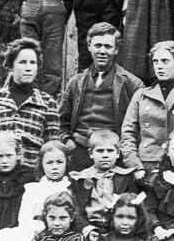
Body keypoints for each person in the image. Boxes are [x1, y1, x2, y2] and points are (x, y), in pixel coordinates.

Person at [58, 22, 144, 171]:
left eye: (108, 46)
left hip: (112, 154)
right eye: (97, 46)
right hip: (79, 151)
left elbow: (140, 127)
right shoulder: (75, 82)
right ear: (89, 46)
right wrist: (67, 140)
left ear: (116, 49)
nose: (102, 51)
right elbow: (62, 121)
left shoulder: (132, 84)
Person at [0, 39, 61, 173]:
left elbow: (53, 147)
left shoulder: (47, 103)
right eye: (22, 62)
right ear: (11, 65)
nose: (28, 68)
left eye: (33, 63)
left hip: (31, 177)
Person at [0, 140, 74, 241]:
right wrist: (40, 230)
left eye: (59, 162)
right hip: (37, 231)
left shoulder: (71, 187)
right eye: (49, 163)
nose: (54, 167)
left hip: (64, 230)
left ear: (67, 163)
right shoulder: (33, 189)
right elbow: (24, 219)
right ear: (41, 164)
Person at [121, 41, 174, 173]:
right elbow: (128, 133)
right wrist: (135, 167)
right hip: (144, 165)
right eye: (156, 62)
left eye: (165, 61)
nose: (159, 66)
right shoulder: (141, 95)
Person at [70, 129, 141, 241]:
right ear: (91, 153)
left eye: (109, 150)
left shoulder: (126, 177)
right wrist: (87, 229)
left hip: (118, 228)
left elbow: (132, 206)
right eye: (100, 151)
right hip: (90, 228)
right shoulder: (81, 178)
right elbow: (77, 209)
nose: (105, 155)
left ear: (118, 153)